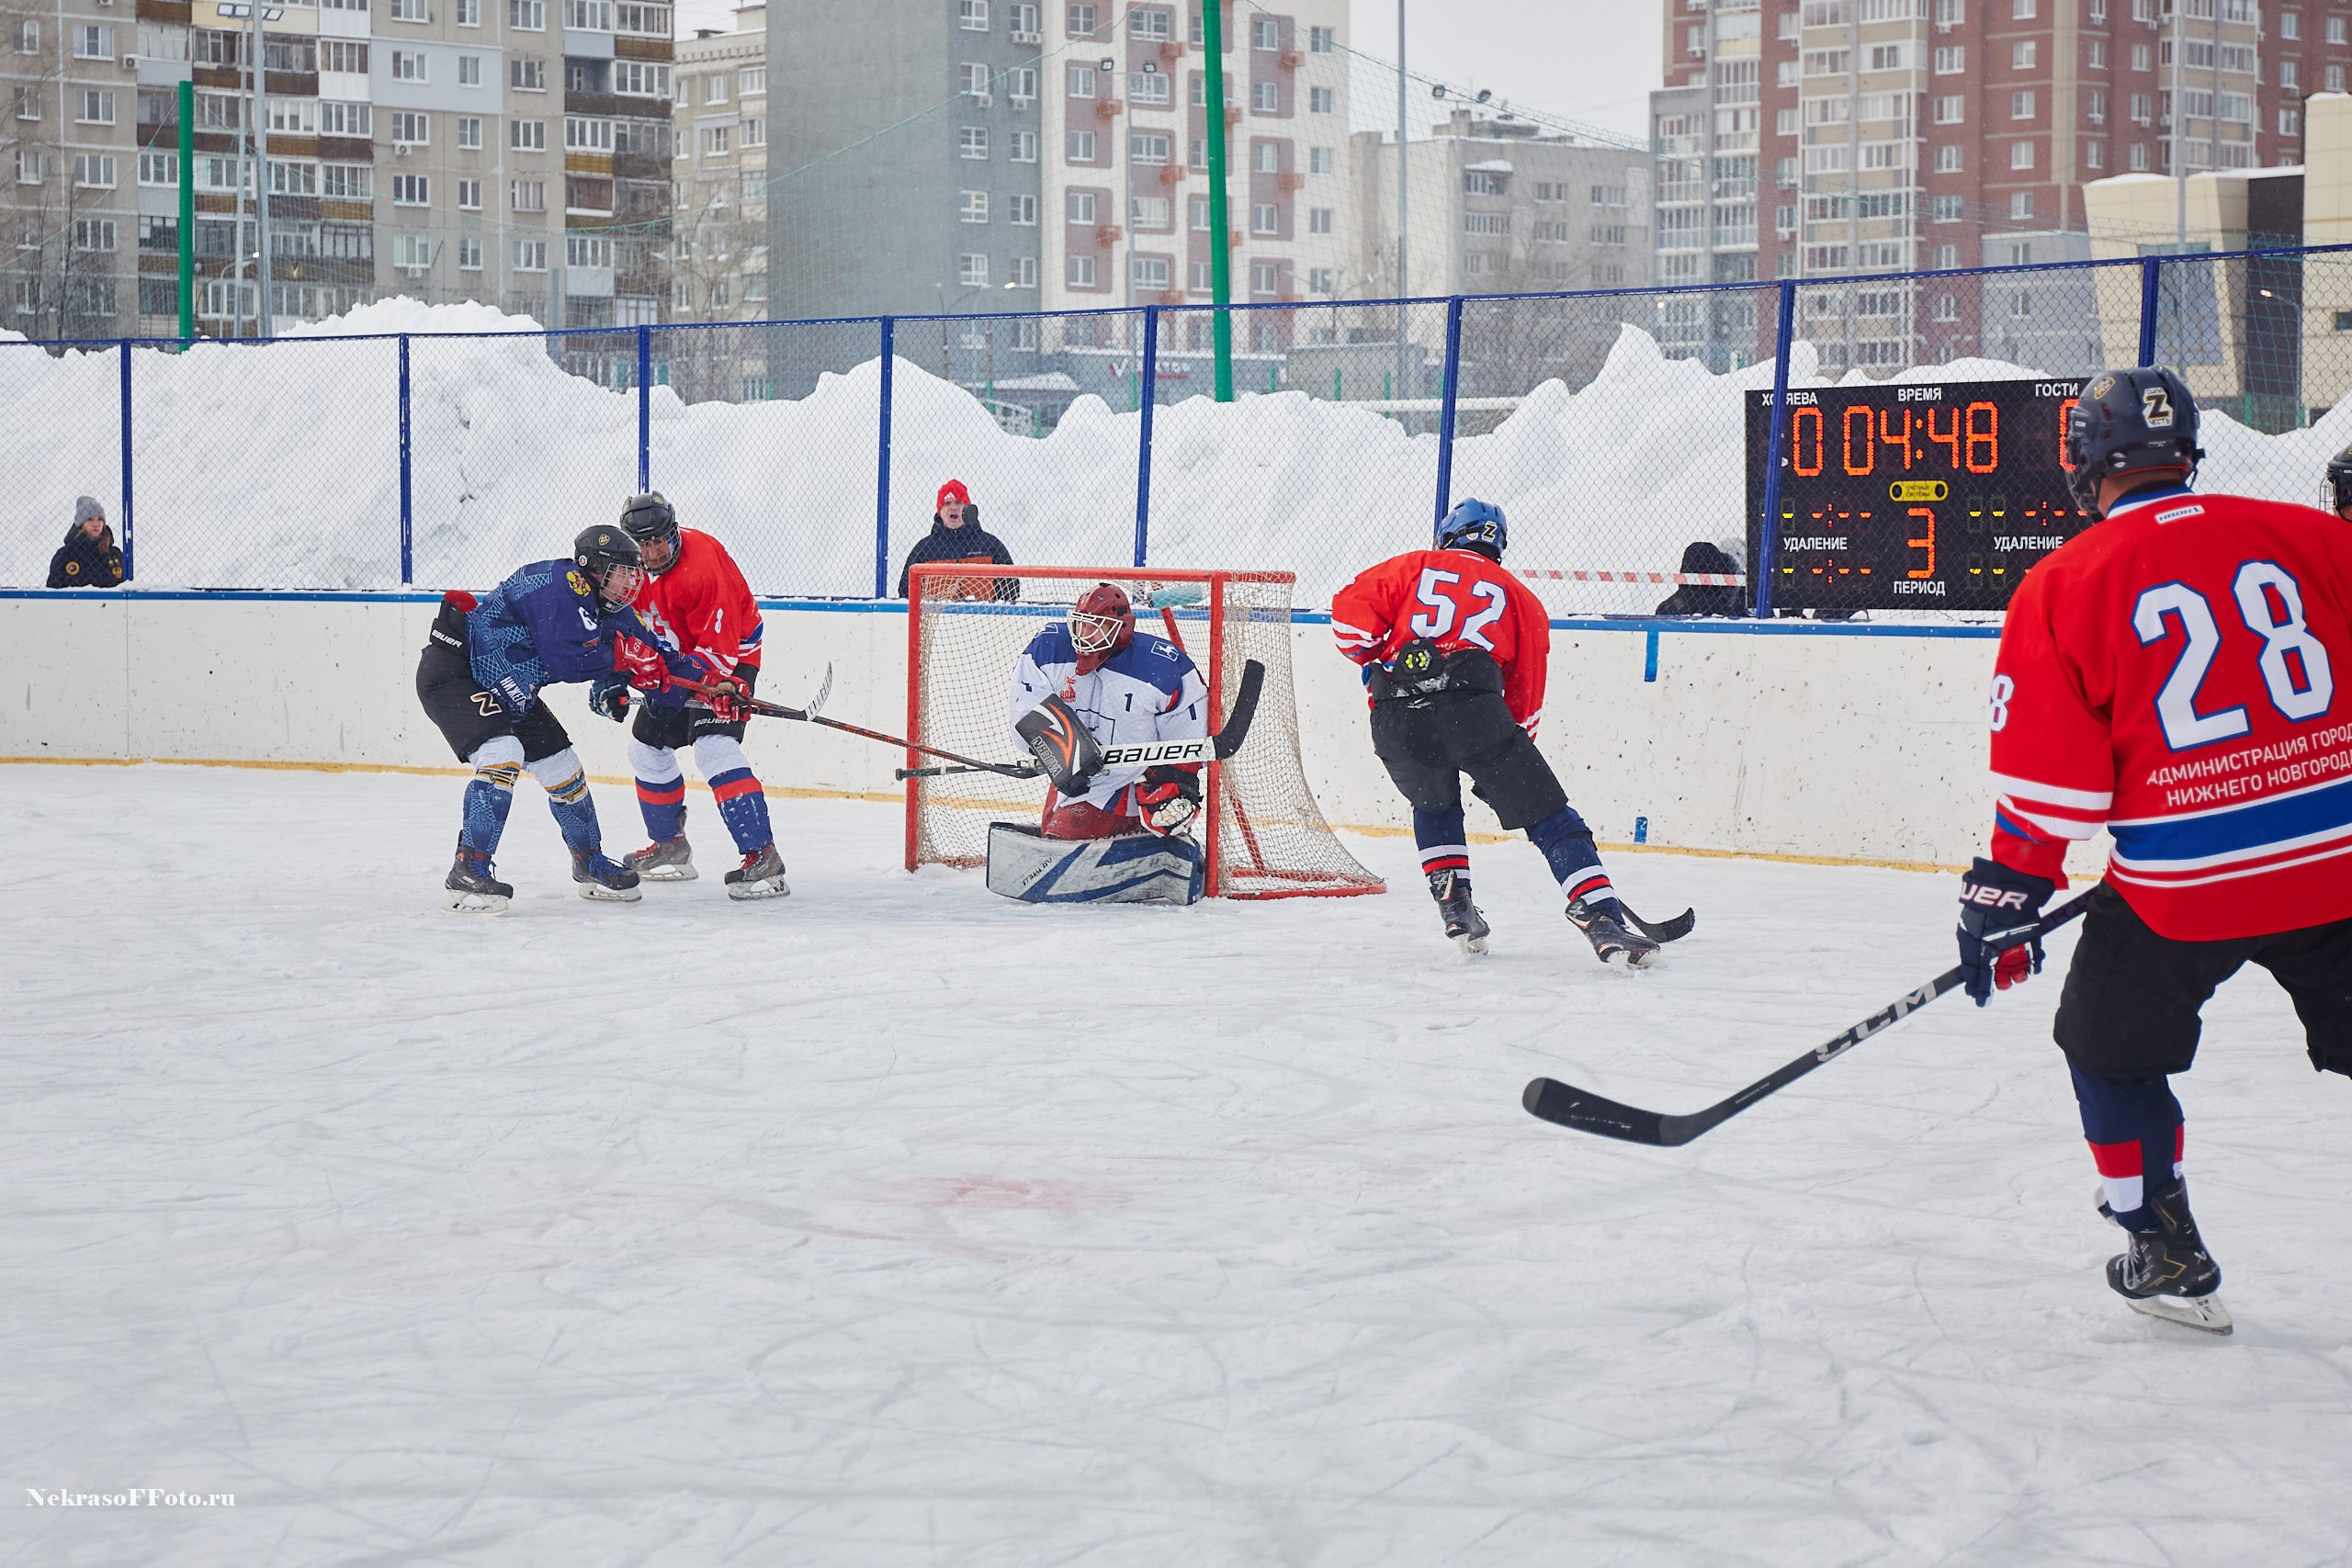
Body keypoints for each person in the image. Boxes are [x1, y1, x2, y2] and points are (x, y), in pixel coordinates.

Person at [1956, 365, 2352, 1336]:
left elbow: (2057, 790)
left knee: (2104, 1046)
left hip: (2184, 886)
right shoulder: (2312, 537)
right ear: (2186, 454)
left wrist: (2006, 897)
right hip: (2336, 864)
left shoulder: (2061, 584)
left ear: (2084, 463)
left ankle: (2160, 1240)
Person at [1332, 498, 1657, 966]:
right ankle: (1602, 916)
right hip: (1474, 712)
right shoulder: (1520, 598)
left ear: (1447, 535)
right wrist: (1502, 760)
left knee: (1434, 802)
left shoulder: (1411, 566)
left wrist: (1373, 660)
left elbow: (1347, 618)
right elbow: (1525, 694)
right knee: (1552, 819)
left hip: (1394, 717)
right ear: (1497, 546)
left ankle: (1455, 903)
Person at [414, 525, 728, 914]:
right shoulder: (559, 584)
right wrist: (622, 661)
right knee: (502, 753)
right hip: (459, 672)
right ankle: (468, 871)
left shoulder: (611, 607)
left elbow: (657, 658)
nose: (632, 582)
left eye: (635, 573)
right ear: (593, 568)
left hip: (513, 686)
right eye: (623, 572)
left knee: (565, 770)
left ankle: (589, 862)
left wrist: (711, 689)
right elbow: (567, 655)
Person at [607, 492, 789, 899]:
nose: (652, 552)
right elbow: (623, 631)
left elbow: (719, 652)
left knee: (713, 748)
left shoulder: (701, 565)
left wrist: (672, 686)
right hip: (676, 667)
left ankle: (763, 857)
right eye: (643, 544)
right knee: (645, 749)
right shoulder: (628, 571)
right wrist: (617, 678)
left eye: (659, 541)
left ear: (673, 533)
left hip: (728, 663)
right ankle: (670, 845)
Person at [1006, 581, 1206, 840]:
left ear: (1121, 629)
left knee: (1061, 840)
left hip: (1131, 783)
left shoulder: (1161, 665)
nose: (1083, 635)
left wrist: (1175, 781)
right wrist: (1062, 755)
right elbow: (1026, 704)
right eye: (1081, 624)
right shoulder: (1049, 648)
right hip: (1074, 783)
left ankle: (1141, 834)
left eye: (1095, 628)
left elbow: (1189, 729)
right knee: (1052, 836)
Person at [897, 479, 1017, 601]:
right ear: (940, 511)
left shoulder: (990, 545)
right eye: (947, 504)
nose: (953, 508)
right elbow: (906, 593)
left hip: (985, 618)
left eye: (959, 502)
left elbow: (1011, 588)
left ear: (967, 508)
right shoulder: (924, 549)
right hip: (937, 618)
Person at [47, 496, 123, 588]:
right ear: (81, 523)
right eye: (90, 519)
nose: (96, 524)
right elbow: (52, 592)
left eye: (100, 519)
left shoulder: (115, 555)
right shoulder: (65, 555)